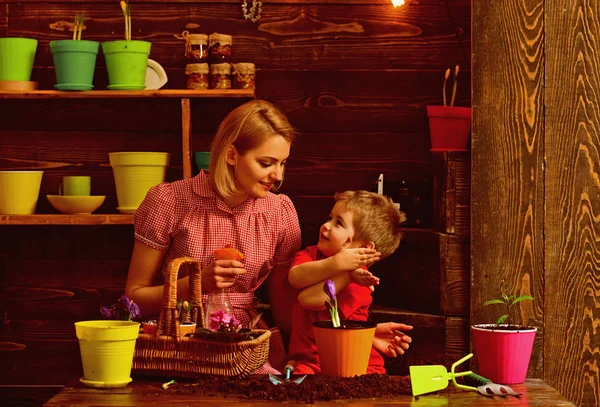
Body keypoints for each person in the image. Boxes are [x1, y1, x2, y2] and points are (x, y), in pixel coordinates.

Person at [124, 99, 302, 374]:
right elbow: (133, 299)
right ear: (231, 155)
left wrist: (303, 354)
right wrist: (198, 284)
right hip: (179, 344)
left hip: (246, 347)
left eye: (282, 163)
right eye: (266, 163)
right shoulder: (169, 200)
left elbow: (283, 308)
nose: (277, 176)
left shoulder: (280, 211)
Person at [286, 190, 414, 374]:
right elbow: (295, 278)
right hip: (312, 361)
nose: (326, 226)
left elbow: (308, 300)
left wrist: (346, 275)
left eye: (338, 223)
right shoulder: (311, 254)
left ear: (363, 248)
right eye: (330, 218)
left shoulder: (360, 280)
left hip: (354, 362)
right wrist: (337, 264)